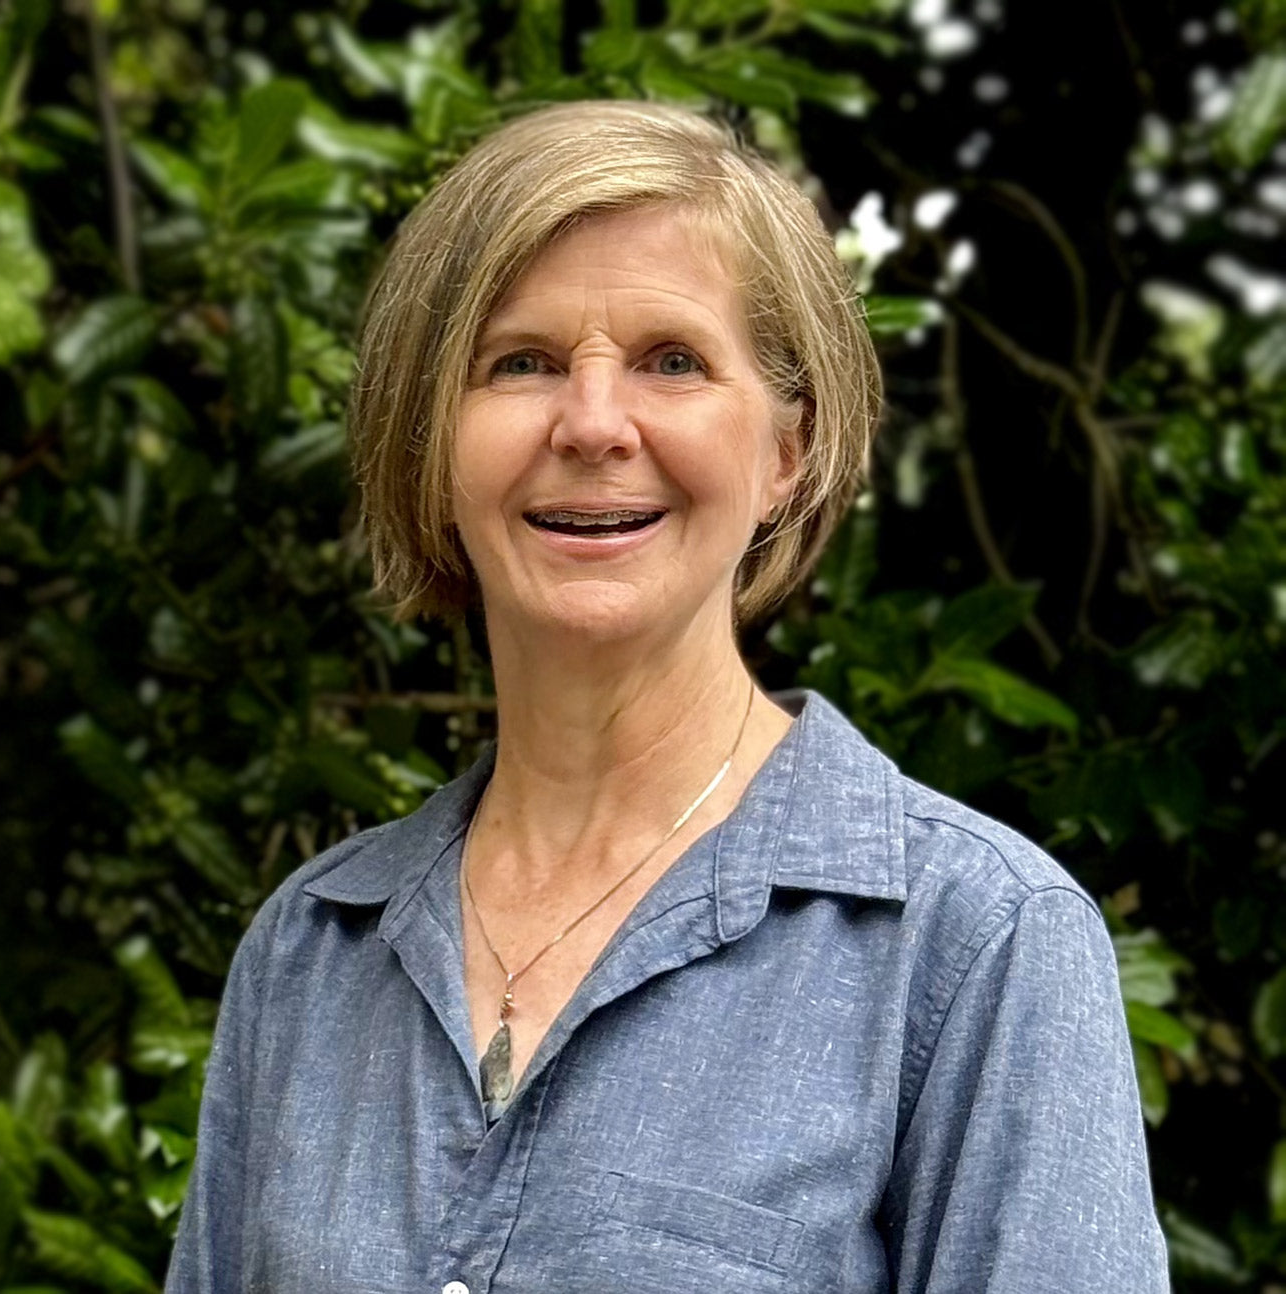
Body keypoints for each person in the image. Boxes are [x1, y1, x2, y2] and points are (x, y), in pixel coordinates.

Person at [165, 100, 1171, 1293]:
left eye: (673, 362)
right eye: (520, 362)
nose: (593, 424)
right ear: (432, 440)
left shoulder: (977, 947)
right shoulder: (308, 955)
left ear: (785, 451)